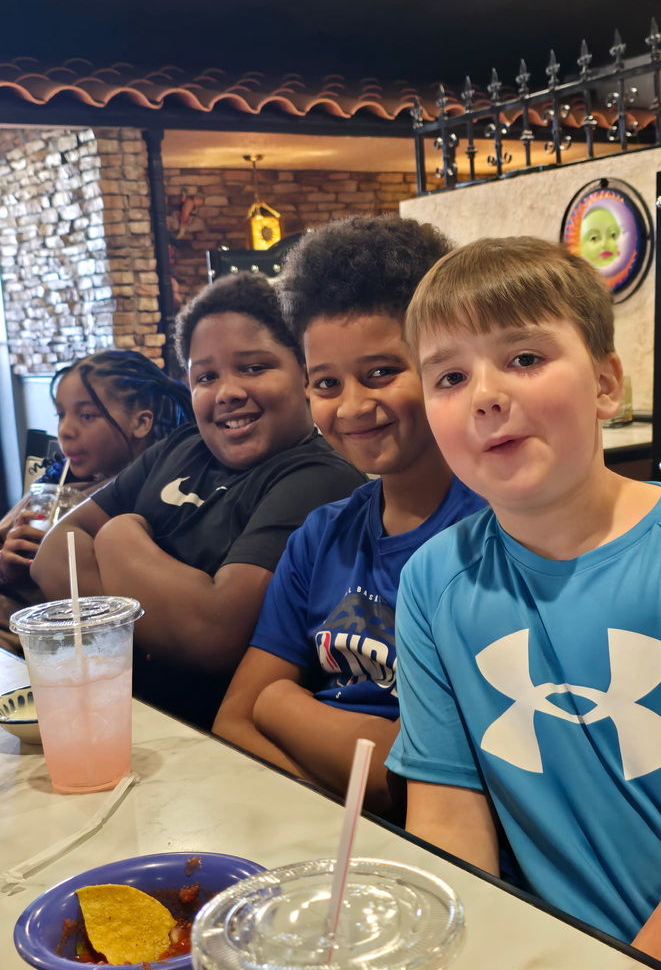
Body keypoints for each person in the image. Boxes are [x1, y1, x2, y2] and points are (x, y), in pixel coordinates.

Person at [385, 236, 661, 970]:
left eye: (525, 357)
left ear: (605, 384)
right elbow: (448, 823)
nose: (486, 394)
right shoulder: (434, 581)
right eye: (450, 377)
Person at [213, 216, 485, 815]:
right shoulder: (321, 535)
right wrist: (335, 810)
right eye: (327, 383)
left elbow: (413, 778)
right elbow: (233, 721)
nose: (354, 406)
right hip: (326, 831)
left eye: (381, 373)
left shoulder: (490, 540)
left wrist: (281, 705)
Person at [32, 273, 367, 729]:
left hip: (207, 737)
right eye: (206, 376)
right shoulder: (181, 446)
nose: (227, 392)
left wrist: (118, 538)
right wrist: (162, 618)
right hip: (118, 711)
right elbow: (55, 555)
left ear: (304, 372)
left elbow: (214, 633)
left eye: (254, 368)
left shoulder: (319, 476)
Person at [0, 349, 193, 652]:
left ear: (141, 423)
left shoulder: (150, 502)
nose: (65, 431)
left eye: (87, 415)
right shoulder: (53, 485)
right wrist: (8, 565)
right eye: (61, 414)